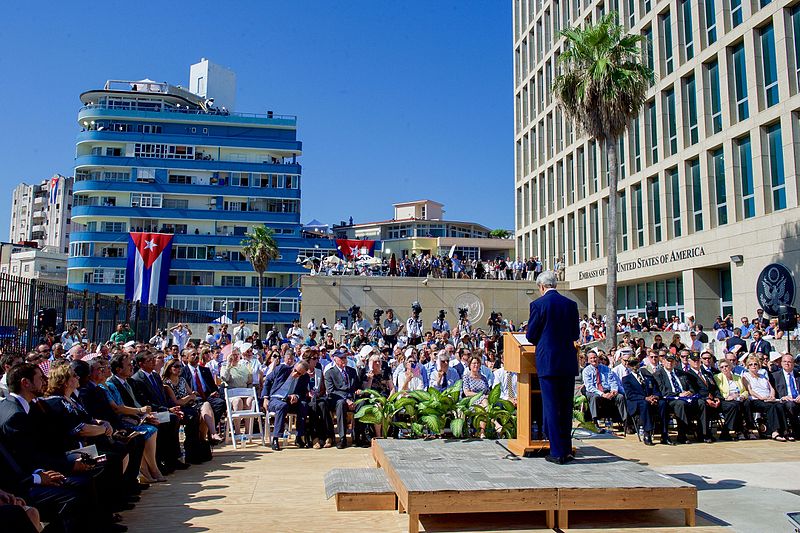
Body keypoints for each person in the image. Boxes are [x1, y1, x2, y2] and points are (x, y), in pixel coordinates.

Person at [525, 271, 579, 465]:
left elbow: (531, 335)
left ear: (541, 286)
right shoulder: (571, 305)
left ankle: (556, 452)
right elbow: (575, 334)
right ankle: (566, 450)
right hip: (567, 362)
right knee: (565, 408)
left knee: (551, 407)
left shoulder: (538, 305)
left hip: (548, 362)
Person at [620, 353, 669, 445]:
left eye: (636, 363)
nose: (635, 366)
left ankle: (664, 434)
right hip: (637, 403)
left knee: (662, 403)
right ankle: (647, 433)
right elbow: (630, 395)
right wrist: (645, 398)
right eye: (632, 364)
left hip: (650, 400)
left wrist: (655, 397)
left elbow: (656, 389)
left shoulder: (647, 376)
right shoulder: (626, 379)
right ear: (629, 366)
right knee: (644, 404)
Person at [263, 361, 310, 451]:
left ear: (303, 373)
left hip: (290, 400)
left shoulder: (305, 377)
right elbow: (268, 380)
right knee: (282, 406)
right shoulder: (282, 369)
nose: (296, 374)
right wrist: (265, 398)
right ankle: (276, 438)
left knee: (303, 405)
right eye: (295, 370)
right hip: (275, 398)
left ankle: (299, 436)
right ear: (294, 366)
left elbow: (303, 393)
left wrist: (296, 396)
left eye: (299, 373)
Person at [741, 354, 788, 441]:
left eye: (755, 364)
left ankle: (784, 431)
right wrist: (761, 397)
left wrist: (772, 396)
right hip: (756, 399)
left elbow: (771, 388)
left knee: (780, 406)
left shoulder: (762, 375)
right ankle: (774, 431)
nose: (753, 366)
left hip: (768, 398)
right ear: (748, 366)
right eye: (751, 364)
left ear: (759, 365)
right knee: (770, 407)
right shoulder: (745, 376)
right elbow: (750, 391)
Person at [324, 350, 360, 449]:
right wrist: (345, 399)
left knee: (362, 404)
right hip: (337, 399)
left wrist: (358, 391)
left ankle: (359, 436)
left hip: (352, 398)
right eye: (342, 358)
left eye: (345, 357)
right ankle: (342, 437)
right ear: (335, 359)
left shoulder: (352, 371)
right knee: (340, 404)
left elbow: (356, 386)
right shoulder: (330, 373)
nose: (344, 360)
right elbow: (331, 391)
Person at [582, 351, 627, 427]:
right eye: (591, 358)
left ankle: (625, 421)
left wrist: (614, 390)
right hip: (595, 391)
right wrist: (602, 394)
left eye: (595, 357)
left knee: (620, 397)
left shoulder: (606, 369)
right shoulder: (586, 371)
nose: (594, 360)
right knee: (595, 398)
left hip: (607, 390)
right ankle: (595, 421)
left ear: (598, 358)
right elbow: (589, 387)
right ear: (588, 360)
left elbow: (612, 381)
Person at [714, 358, 755, 440]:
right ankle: (739, 430)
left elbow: (745, 391)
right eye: (722, 367)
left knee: (747, 403)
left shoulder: (737, 377)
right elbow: (720, 392)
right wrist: (730, 396)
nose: (724, 368)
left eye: (726, 366)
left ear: (730, 367)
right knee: (735, 405)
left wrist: (742, 396)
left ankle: (749, 429)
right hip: (727, 400)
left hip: (739, 398)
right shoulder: (717, 377)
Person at [771, 353, 800, 440]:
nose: (787, 363)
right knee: (790, 405)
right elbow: (773, 393)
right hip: (785, 400)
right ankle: (794, 431)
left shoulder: (798, 374)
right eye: (784, 361)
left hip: (798, 399)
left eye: (789, 362)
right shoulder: (774, 376)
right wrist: (783, 397)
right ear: (781, 363)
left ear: (793, 363)